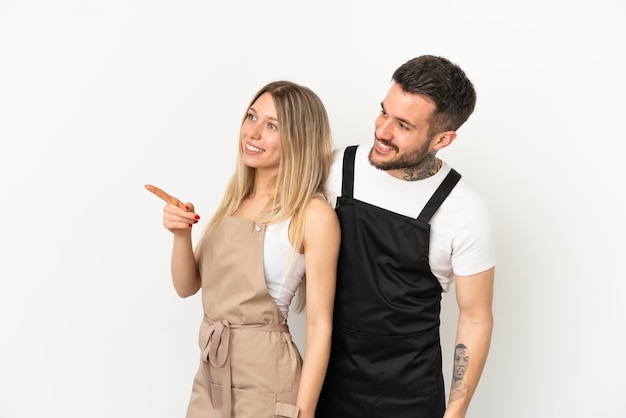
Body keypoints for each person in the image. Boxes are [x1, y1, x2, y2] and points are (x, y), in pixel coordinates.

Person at [146, 80, 340, 418]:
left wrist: (303, 412)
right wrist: (181, 234)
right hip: (210, 376)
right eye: (251, 117)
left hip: (268, 382)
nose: (253, 132)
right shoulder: (236, 200)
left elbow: (320, 326)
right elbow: (186, 286)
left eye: (272, 126)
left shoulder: (312, 214)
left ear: (300, 137)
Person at [316, 55, 495, 418]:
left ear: (442, 139)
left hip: (410, 396)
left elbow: (476, 317)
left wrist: (455, 412)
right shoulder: (336, 170)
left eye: (402, 125)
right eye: (383, 112)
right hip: (328, 382)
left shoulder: (463, 211)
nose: (382, 131)